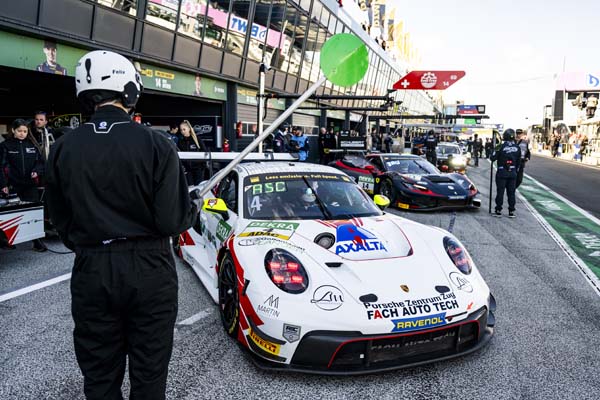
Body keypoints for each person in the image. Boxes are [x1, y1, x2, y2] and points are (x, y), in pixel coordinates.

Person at [45, 50, 197, 400]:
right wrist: (191, 208)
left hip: (92, 268)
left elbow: (59, 218)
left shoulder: (64, 148)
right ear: (128, 91)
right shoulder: (157, 144)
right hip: (149, 268)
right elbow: (171, 220)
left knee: (99, 375)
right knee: (149, 374)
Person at [0, 119, 46, 251]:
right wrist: (3, 183)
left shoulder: (31, 145)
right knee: (11, 215)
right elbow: (0, 166)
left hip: (30, 184)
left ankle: (37, 241)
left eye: (25, 131)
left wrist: (36, 171)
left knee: (34, 212)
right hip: (12, 185)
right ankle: (7, 240)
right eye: (19, 131)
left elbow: (40, 162)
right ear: (13, 130)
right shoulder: (5, 146)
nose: (22, 133)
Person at [491, 128, 521, 218]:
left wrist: (493, 150)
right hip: (513, 173)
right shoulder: (517, 147)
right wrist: (515, 170)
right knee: (511, 193)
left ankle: (498, 210)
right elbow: (519, 161)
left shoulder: (500, 146)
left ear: (505, 136)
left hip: (502, 172)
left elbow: (492, 158)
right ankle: (511, 211)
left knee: (500, 192)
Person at [177, 120, 207, 185]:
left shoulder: (197, 139)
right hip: (188, 170)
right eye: (181, 130)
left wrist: (202, 166)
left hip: (198, 169)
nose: (182, 131)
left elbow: (204, 151)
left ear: (189, 129)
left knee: (199, 188)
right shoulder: (180, 142)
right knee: (189, 188)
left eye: (184, 129)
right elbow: (179, 155)